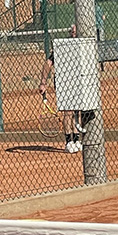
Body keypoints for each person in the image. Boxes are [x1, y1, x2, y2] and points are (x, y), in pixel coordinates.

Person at [39, 24, 83, 153]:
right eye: (72, 31)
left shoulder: (82, 45)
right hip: (63, 82)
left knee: (77, 112)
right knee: (68, 112)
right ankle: (69, 141)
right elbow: (48, 63)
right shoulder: (62, 46)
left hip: (78, 81)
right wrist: (43, 83)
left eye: (75, 31)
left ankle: (77, 140)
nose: (73, 33)